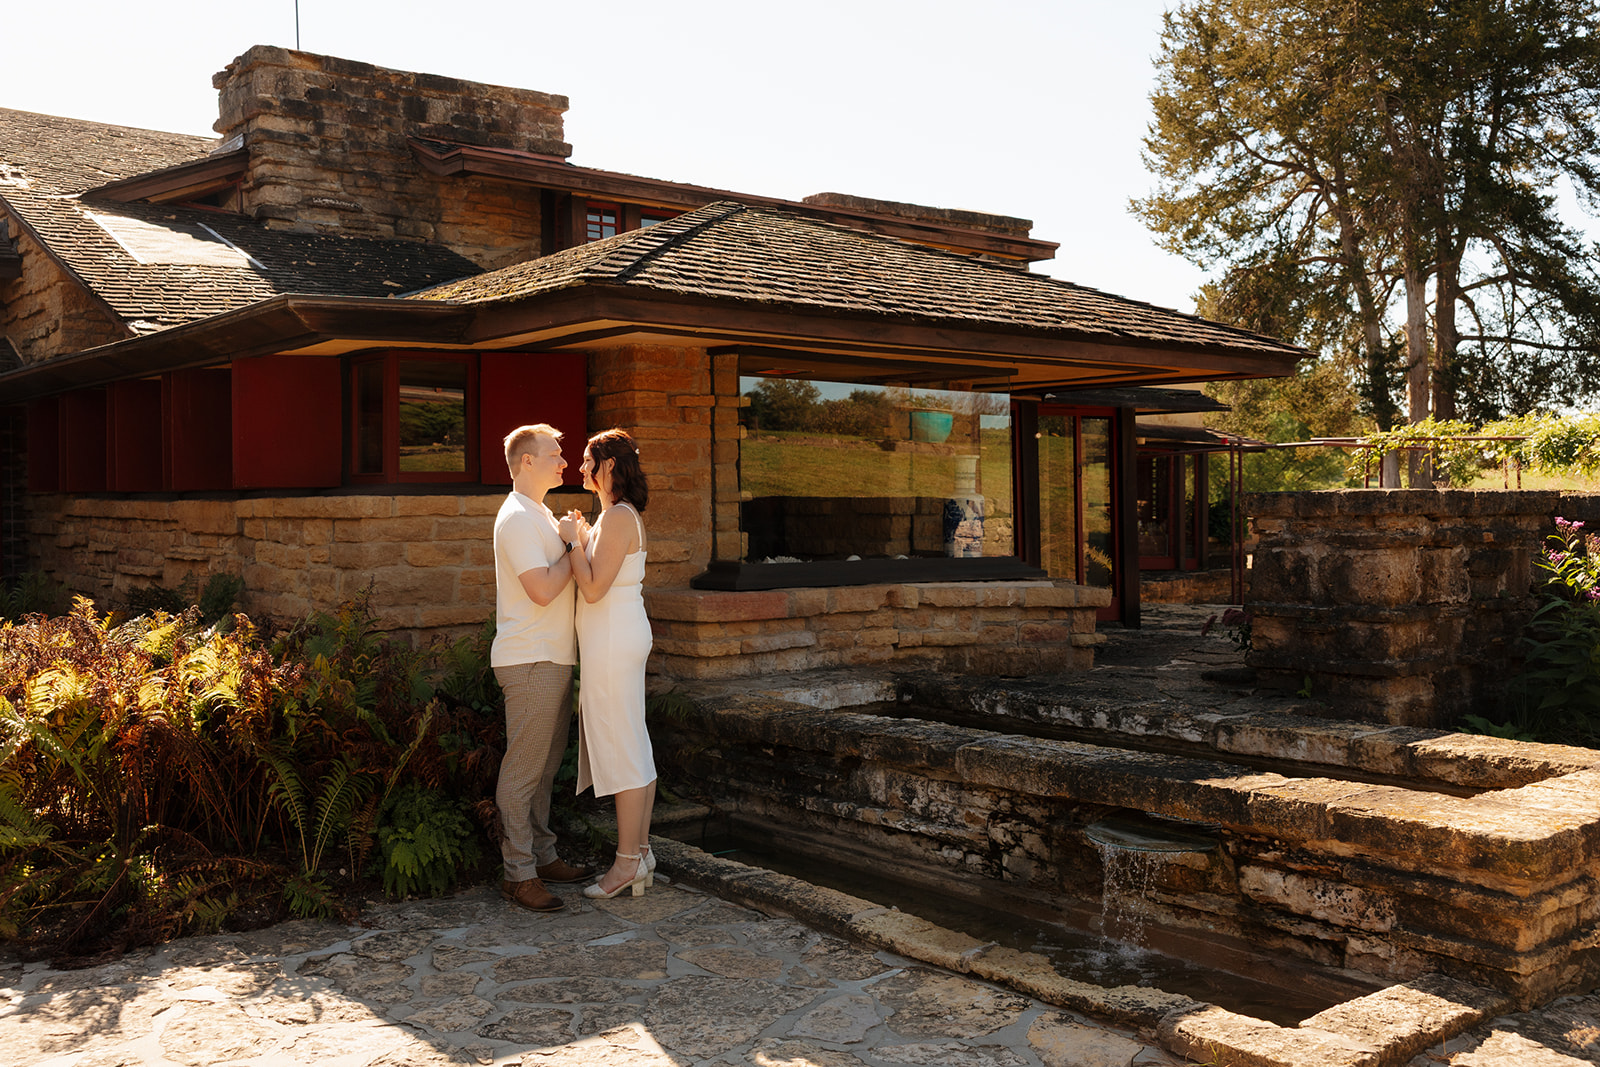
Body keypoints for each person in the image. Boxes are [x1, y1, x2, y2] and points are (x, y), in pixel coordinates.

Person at [491, 424, 594, 913]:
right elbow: (543, 590)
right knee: (523, 771)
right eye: (555, 454)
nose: (564, 461)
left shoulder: (539, 514)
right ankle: (518, 875)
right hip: (529, 659)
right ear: (526, 462)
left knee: (544, 768)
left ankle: (542, 855)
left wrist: (573, 537)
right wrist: (573, 548)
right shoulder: (515, 518)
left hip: (552, 657)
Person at [558, 428, 657, 899]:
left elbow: (593, 588)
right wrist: (583, 533)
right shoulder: (612, 516)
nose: (580, 470)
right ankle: (640, 853)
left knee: (623, 746)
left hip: (615, 640)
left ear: (609, 466)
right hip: (615, 639)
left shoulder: (618, 517)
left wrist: (571, 541)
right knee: (632, 740)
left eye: (586, 462)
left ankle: (625, 865)